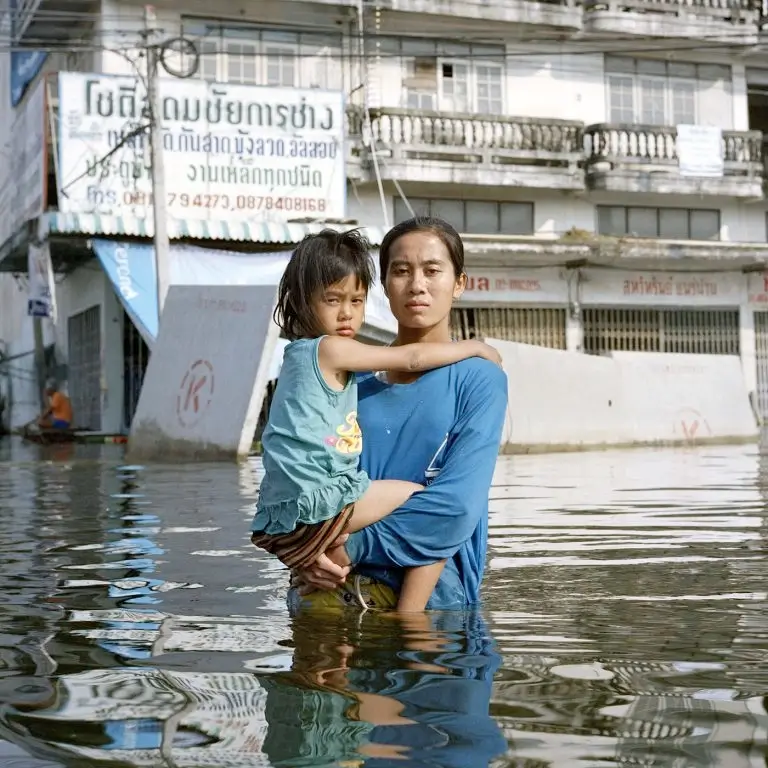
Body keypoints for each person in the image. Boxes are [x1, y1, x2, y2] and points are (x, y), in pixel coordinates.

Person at [250, 228, 502, 613]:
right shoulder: (351, 382)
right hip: (325, 593)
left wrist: (344, 547)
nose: (417, 285)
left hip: (433, 605)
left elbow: (456, 508)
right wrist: (304, 558)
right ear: (383, 284)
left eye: (432, 270)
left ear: (459, 283)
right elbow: (304, 479)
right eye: (401, 271)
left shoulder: (478, 379)